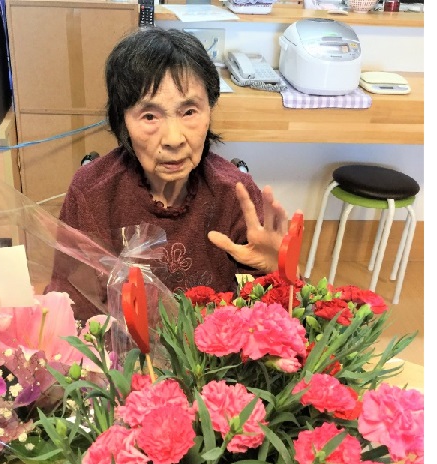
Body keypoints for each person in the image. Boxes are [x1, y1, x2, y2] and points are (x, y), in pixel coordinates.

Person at [46, 27, 292, 322]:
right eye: (150, 116)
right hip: (119, 347)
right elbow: (73, 305)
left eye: (189, 112)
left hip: (208, 347)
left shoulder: (234, 194)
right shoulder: (93, 191)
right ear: (122, 121)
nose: (174, 139)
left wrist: (279, 271)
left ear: (209, 110)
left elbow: (269, 322)